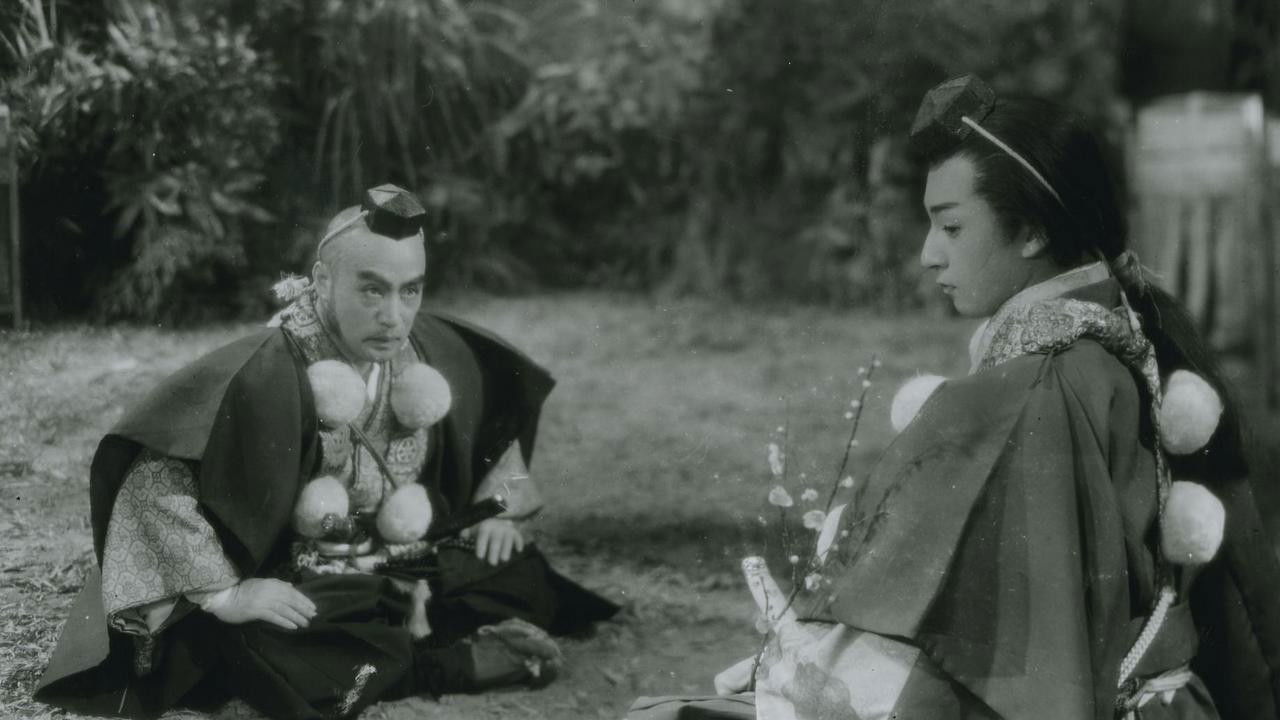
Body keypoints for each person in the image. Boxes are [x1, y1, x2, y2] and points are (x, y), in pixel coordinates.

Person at [629, 76, 1280, 720]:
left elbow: (999, 668)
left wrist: (807, 680)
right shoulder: (1112, 339)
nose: (928, 255)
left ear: (1031, 232)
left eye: (952, 227)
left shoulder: (1035, 389)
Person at [35, 184, 619, 720]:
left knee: (514, 576)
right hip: (300, 574)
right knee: (259, 636)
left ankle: (372, 653)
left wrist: (500, 507)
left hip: (389, 558)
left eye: (410, 290)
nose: (394, 316)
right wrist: (225, 593)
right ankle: (437, 667)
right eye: (371, 289)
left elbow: (490, 404)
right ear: (320, 282)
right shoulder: (268, 370)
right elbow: (151, 482)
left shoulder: (415, 347)